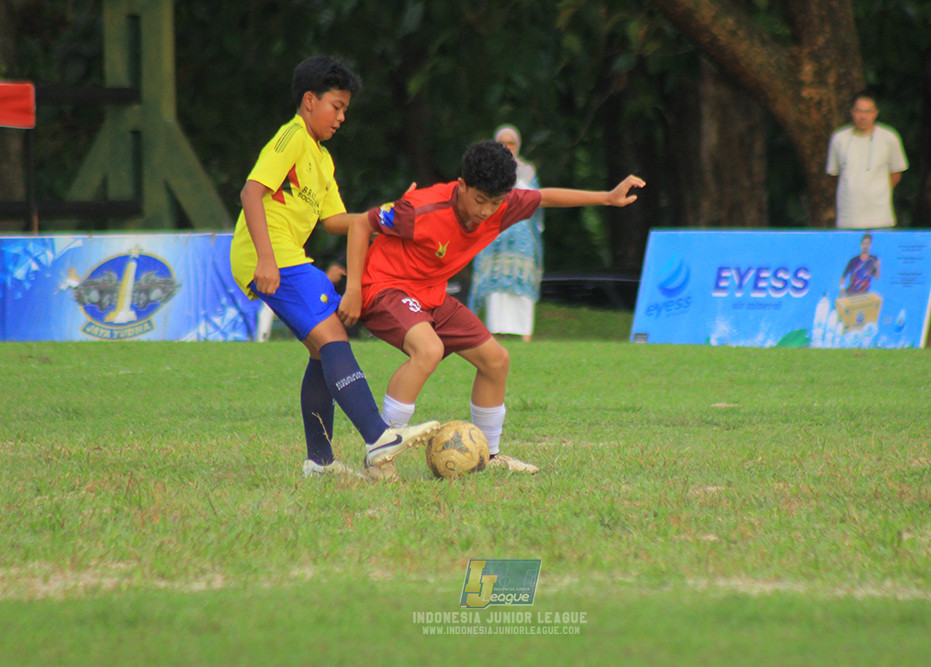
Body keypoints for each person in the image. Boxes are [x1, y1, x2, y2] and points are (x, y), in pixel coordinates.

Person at [337, 140, 645, 474]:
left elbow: (546, 197)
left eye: (495, 202)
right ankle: (380, 452)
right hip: (385, 287)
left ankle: (489, 457)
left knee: (496, 360)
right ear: (461, 186)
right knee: (428, 350)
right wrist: (353, 289)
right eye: (480, 200)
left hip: (432, 294)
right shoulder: (420, 208)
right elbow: (361, 224)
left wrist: (607, 197)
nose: (486, 210)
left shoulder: (504, 205)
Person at [229, 55, 438, 481]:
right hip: (272, 256)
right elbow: (251, 194)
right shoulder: (291, 139)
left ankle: (319, 463)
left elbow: (337, 222)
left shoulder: (322, 160)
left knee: (320, 350)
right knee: (334, 337)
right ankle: (378, 436)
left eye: (345, 109)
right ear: (310, 101)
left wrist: (385, 215)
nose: (342, 117)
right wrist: (267, 260)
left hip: (286, 256)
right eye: (336, 106)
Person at [468, 125, 544, 342]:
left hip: (522, 238)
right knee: (495, 284)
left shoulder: (528, 172)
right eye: (503, 143)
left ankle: (524, 333)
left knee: (522, 284)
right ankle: (494, 330)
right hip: (495, 238)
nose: (507, 147)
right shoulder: (486, 170)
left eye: (511, 143)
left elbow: (538, 203)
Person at [826, 90, 909, 229]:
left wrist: (878, 192)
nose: (862, 116)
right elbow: (834, 174)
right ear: (852, 112)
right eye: (859, 111)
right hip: (848, 217)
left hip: (881, 217)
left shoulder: (889, 137)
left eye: (868, 111)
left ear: (875, 113)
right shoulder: (839, 138)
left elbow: (896, 173)